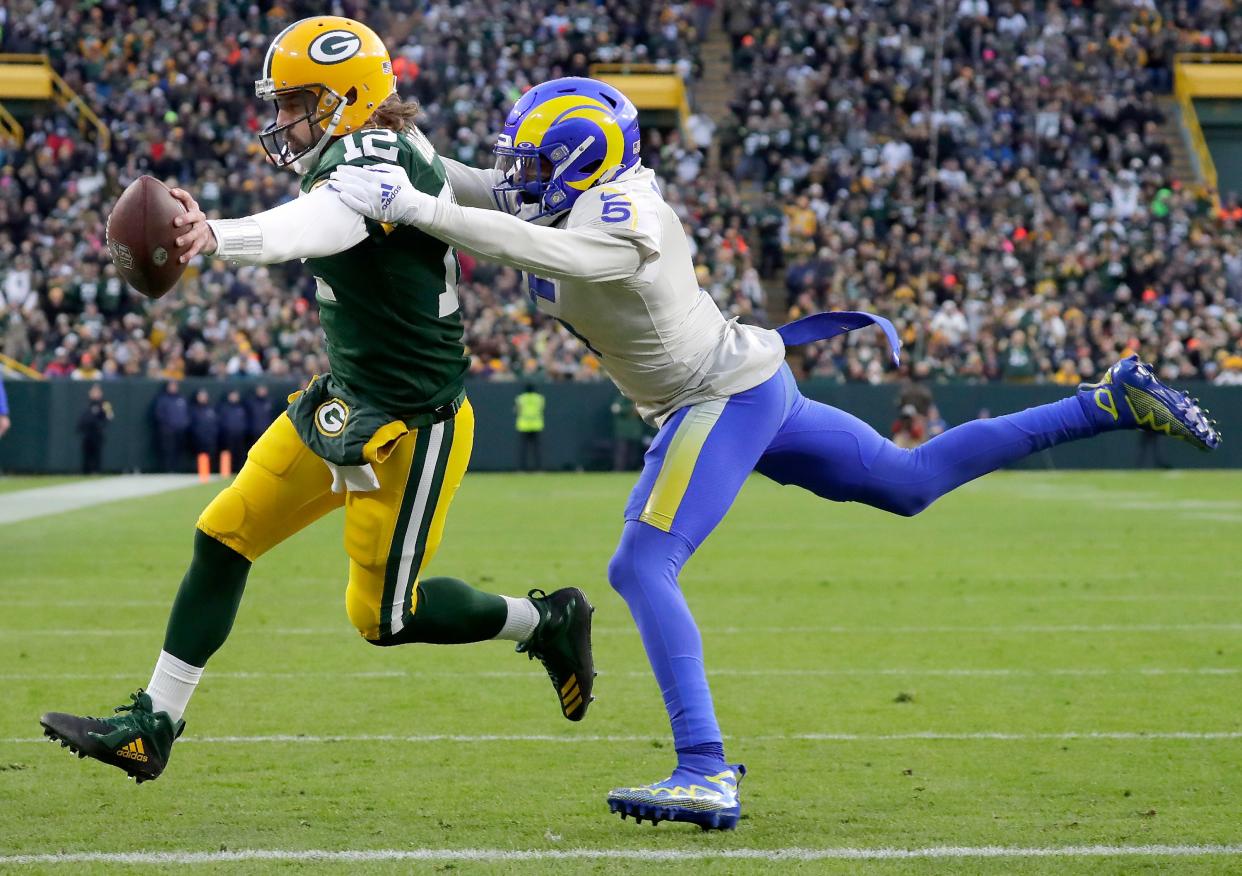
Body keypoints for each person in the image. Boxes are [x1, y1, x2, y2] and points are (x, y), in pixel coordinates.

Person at [330, 76, 1222, 831]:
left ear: (580, 160)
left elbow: (528, 239)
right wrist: (383, 149)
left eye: (536, 159)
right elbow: (482, 189)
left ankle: (704, 766)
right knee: (909, 483)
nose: (520, 173)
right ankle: (1105, 401)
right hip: (748, 381)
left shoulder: (624, 213)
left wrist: (414, 207)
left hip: (715, 395)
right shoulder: (575, 189)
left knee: (642, 565)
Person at [40, 17, 594, 788]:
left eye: (299, 99)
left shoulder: (370, 164)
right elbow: (449, 182)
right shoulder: (384, 148)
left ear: (350, 96)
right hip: (344, 398)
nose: (284, 118)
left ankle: (548, 619)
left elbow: (320, 224)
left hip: (413, 423)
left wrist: (216, 235)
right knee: (223, 534)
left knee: (382, 620)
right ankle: (154, 724)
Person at [152, 381, 189, 472]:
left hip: (180, 430)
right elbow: (158, 414)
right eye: (171, 386)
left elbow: (186, 414)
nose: (173, 388)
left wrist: (184, 424)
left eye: (175, 386)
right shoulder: (162, 399)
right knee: (167, 450)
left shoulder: (181, 398)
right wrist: (166, 425)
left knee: (179, 450)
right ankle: (167, 470)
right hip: (167, 430)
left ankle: (177, 469)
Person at [77, 384, 113, 474]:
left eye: (96, 392)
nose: (94, 394)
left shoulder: (105, 403)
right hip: (87, 433)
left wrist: (100, 425)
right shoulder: (87, 403)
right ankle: (85, 471)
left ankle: (96, 471)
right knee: (86, 453)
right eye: (93, 392)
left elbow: (109, 416)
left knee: (97, 453)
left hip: (97, 433)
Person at [514, 382, 545, 471]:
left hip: (523, 425)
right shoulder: (539, 398)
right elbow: (541, 409)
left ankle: (521, 469)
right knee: (537, 449)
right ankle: (539, 469)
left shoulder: (521, 398)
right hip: (536, 425)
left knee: (523, 449)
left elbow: (517, 410)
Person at [216, 389, 249, 468]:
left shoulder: (241, 408)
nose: (234, 397)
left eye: (236, 396)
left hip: (240, 436)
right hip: (227, 436)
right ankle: (227, 470)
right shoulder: (223, 408)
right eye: (232, 395)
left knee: (240, 453)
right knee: (227, 453)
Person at [244, 384, 275, 454]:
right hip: (253, 435)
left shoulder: (270, 402)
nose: (262, 391)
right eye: (260, 389)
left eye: (264, 389)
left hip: (267, 434)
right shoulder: (251, 402)